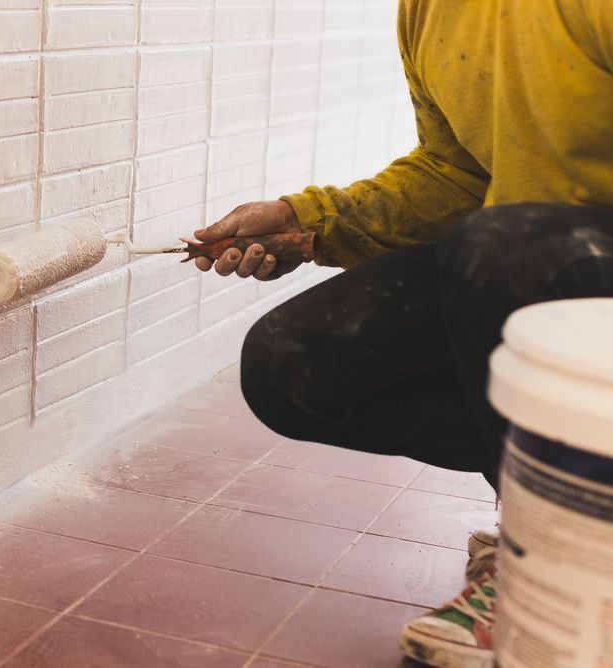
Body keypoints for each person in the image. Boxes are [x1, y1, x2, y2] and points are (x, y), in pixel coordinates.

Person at [193, 1, 613, 666]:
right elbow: (457, 174)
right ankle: (550, 521)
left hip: (575, 264)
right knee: (292, 362)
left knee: (505, 248)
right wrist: (307, 223)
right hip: (532, 261)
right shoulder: (431, 9)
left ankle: (569, 562)